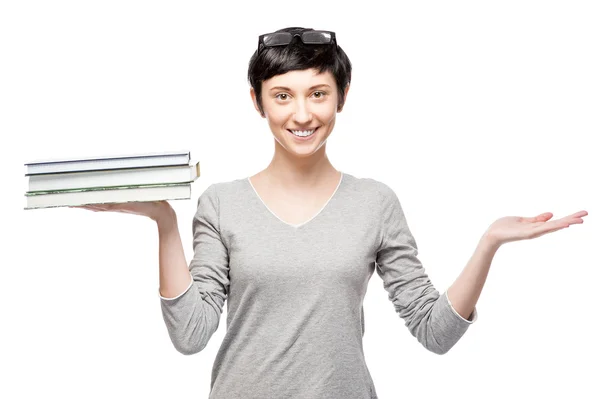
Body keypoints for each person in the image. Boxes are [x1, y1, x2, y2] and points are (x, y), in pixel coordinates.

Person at [72, 27, 588, 399]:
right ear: (258, 102)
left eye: (317, 94)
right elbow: (190, 336)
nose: (302, 114)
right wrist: (164, 221)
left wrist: (488, 244)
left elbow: (436, 334)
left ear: (341, 97)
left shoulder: (375, 203)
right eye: (282, 96)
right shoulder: (221, 203)